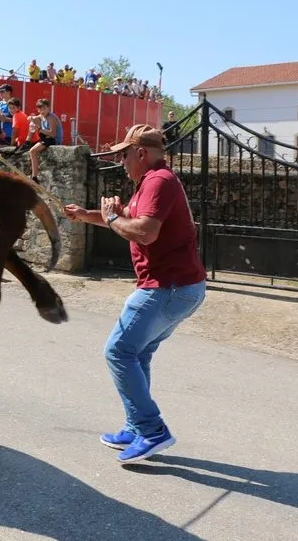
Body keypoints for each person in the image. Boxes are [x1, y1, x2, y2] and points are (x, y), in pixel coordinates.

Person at [64, 124, 206, 464]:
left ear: (141, 153)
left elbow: (144, 232)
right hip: (180, 287)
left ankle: (152, 429)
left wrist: (112, 218)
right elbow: (125, 217)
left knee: (118, 351)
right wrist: (89, 216)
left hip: (166, 287)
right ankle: (135, 425)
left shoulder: (159, 181)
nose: (119, 160)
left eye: (123, 154)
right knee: (137, 355)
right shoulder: (150, 183)